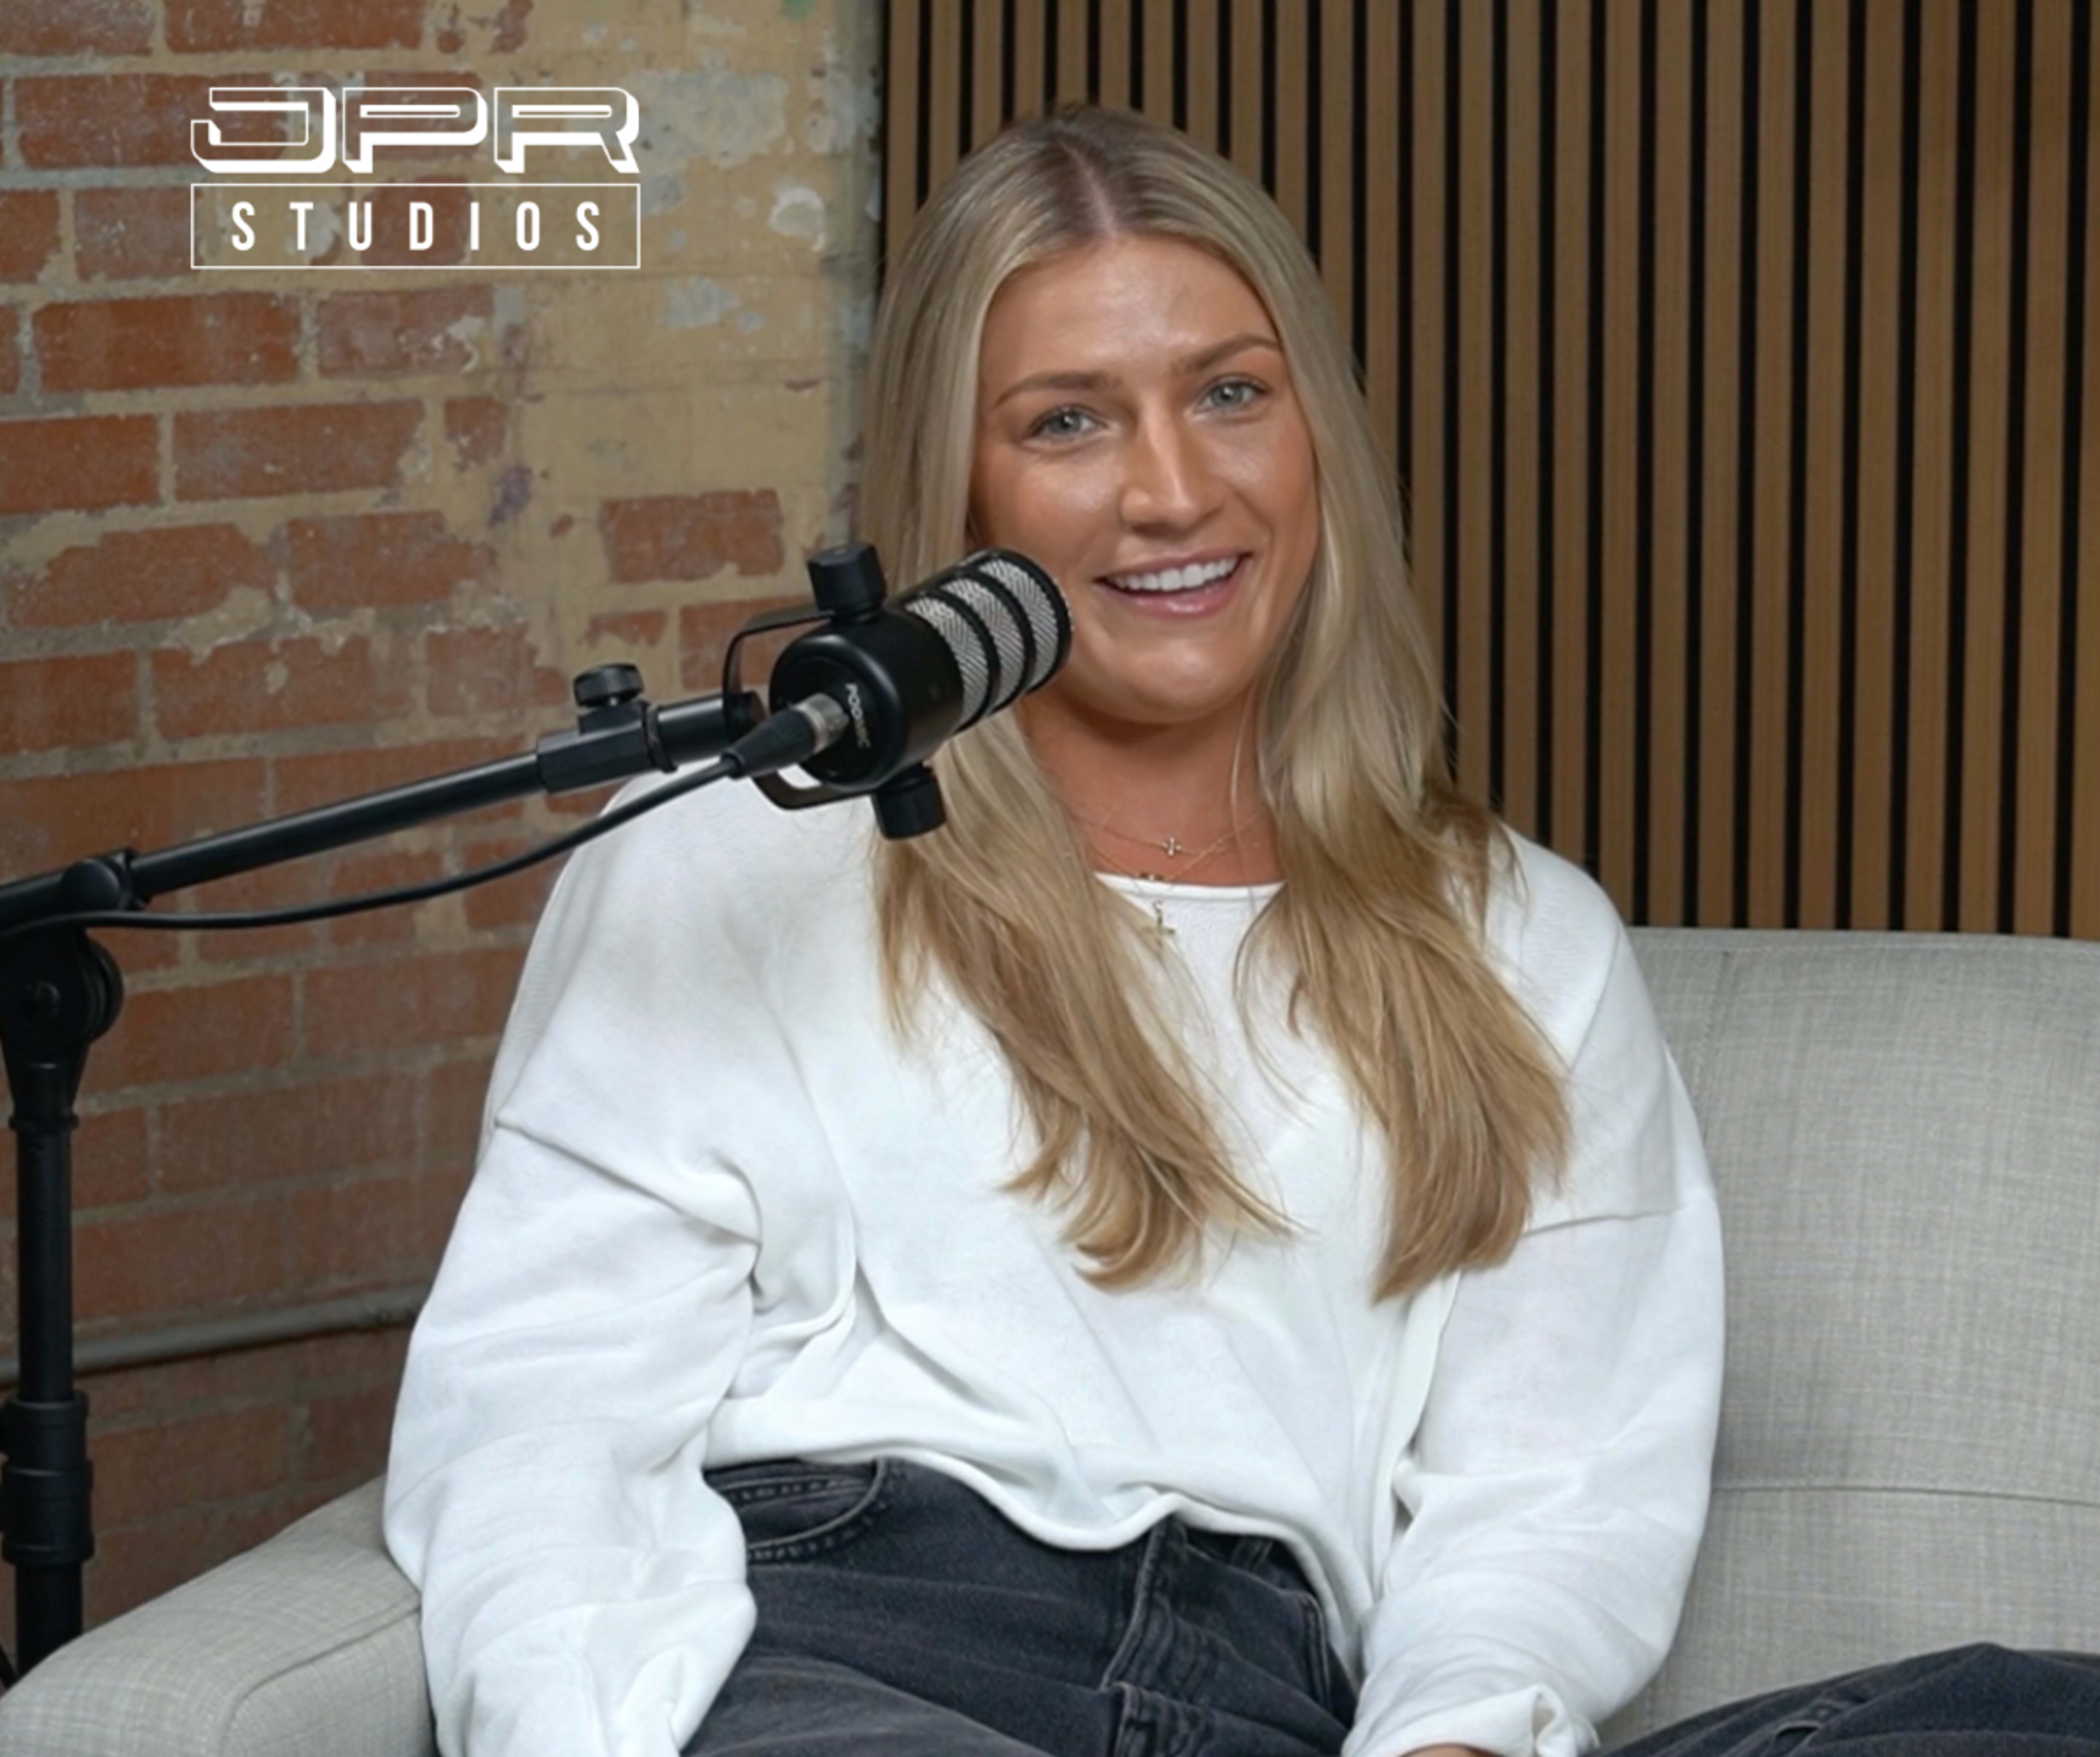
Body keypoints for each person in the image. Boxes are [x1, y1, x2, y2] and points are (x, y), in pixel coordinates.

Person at [382, 106, 2100, 1757]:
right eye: (1068, 421)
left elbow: (1552, 1490)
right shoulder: (735, 866)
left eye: (1229, 395)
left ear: (1315, 436)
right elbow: (543, 1416)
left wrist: (1453, 1737)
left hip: (1293, 1702)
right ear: (955, 487)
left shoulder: (1517, 940)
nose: (1172, 491)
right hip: (861, 1648)